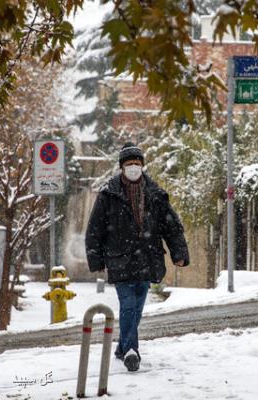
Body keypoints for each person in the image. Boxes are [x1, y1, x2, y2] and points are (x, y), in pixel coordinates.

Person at [85, 142, 189, 372]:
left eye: (137, 163)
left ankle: (122, 348)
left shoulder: (155, 194)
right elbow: (95, 229)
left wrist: (179, 253)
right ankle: (132, 350)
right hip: (119, 259)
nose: (134, 167)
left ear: (142, 166)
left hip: (147, 259)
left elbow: (172, 226)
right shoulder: (109, 194)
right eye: (129, 163)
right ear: (122, 167)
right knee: (128, 304)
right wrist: (96, 258)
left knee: (138, 307)